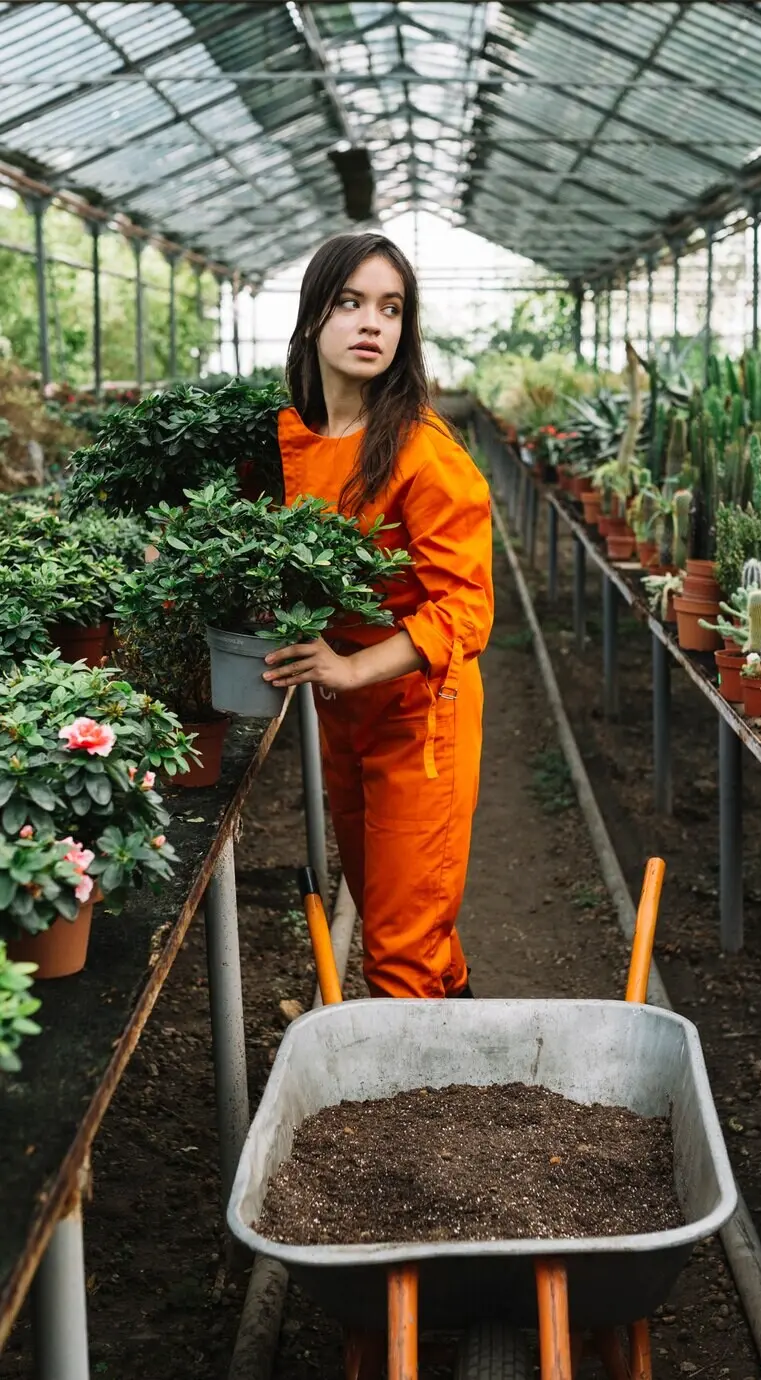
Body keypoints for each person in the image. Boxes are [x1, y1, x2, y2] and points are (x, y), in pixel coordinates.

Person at [264, 232, 493, 1000]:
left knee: (396, 953)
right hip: (345, 716)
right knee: (402, 914)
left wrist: (354, 664)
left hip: (419, 715)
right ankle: (463, 1042)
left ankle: (421, 1116)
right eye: (350, 303)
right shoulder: (297, 438)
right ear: (312, 319)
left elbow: (466, 605)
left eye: (390, 309)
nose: (372, 324)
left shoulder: (423, 453)